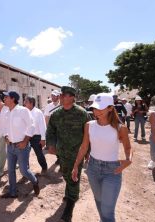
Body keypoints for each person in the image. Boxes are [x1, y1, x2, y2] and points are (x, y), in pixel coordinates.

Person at [72, 93, 132, 222]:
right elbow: (84, 146)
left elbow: (128, 147)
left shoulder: (120, 128)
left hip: (112, 171)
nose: (96, 111)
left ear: (110, 108)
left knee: (107, 211)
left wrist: (129, 160)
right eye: (94, 108)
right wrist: (76, 165)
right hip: (93, 168)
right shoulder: (89, 125)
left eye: (100, 108)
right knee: (99, 201)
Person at [46, 86, 89, 222]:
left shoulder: (82, 113)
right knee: (65, 174)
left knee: (73, 177)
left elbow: (89, 135)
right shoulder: (56, 114)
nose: (61, 97)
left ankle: (70, 204)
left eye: (64, 95)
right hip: (62, 153)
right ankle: (69, 192)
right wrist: (51, 144)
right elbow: (50, 131)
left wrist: (88, 152)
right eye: (61, 95)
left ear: (72, 97)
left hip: (77, 153)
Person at [0, 91, 40, 198]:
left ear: (13, 99)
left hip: (22, 146)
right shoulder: (7, 113)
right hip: (11, 146)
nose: (4, 99)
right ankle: (12, 192)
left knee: (23, 170)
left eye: (6, 97)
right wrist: (6, 136)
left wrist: (25, 141)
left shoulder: (23, 111)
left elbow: (31, 126)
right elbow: (5, 128)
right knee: (11, 170)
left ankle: (35, 181)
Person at [24, 96, 48, 175]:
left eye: (26, 101)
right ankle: (26, 170)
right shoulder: (25, 111)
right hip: (27, 136)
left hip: (36, 137)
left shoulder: (38, 112)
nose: (24, 103)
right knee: (25, 154)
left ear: (31, 103)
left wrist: (43, 139)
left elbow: (42, 126)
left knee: (39, 153)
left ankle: (44, 168)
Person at [44, 89, 61, 165]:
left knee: (61, 144)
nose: (52, 97)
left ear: (58, 96)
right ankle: (59, 157)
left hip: (61, 128)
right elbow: (46, 117)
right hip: (52, 129)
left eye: (54, 95)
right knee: (54, 144)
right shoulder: (48, 106)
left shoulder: (62, 105)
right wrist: (47, 129)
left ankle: (61, 158)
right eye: (52, 95)